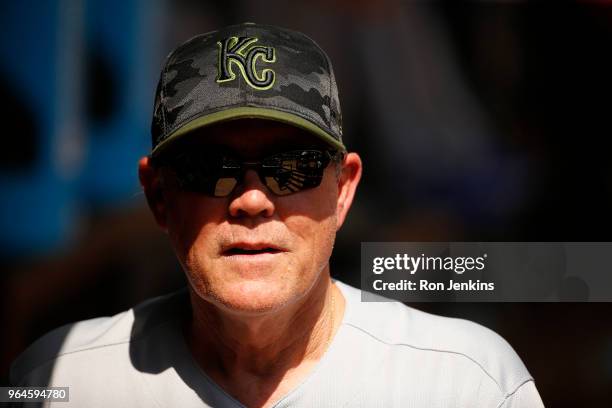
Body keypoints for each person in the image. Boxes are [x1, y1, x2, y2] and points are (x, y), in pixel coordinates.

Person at [10, 22, 544, 407]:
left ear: (342, 190)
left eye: (292, 167)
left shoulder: (466, 384)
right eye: (210, 168)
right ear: (158, 196)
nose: (252, 199)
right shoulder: (56, 382)